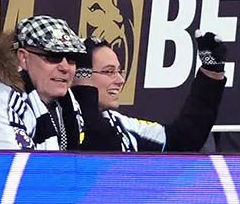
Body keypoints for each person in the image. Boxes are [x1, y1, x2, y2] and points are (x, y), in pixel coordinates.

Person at [0, 15, 118, 150]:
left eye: (72, 59)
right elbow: (13, 174)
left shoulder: (67, 103)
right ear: (23, 58)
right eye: (53, 57)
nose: (65, 67)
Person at [74, 32, 227, 151]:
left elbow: (183, 140)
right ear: (80, 74)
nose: (120, 80)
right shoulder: (59, 119)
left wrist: (211, 75)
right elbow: (97, 141)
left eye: (119, 71)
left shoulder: (119, 123)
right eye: (109, 71)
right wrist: (84, 91)